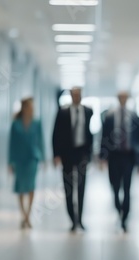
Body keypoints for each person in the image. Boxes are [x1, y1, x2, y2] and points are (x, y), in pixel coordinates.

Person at [100, 91, 139, 233]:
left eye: (125, 97)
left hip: (128, 156)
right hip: (114, 156)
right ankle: (118, 207)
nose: (123, 99)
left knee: (127, 187)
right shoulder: (109, 117)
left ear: (128, 99)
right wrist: (102, 156)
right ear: (117, 98)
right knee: (115, 186)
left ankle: (125, 217)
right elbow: (104, 138)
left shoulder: (134, 117)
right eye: (120, 97)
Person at [52, 87, 94, 232]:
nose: (77, 97)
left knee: (81, 187)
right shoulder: (63, 112)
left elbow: (90, 133)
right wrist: (56, 154)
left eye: (79, 94)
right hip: (67, 154)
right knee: (69, 186)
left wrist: (90, 154)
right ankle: (72, 219)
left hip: (82, 153)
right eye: (74, 94)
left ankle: (80, 220)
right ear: (71, 96)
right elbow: (55, 133)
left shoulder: (88, 111)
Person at [8, 97, 45, 229]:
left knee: (30, 186)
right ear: (24, 108)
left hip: (32, 158)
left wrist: (43, 158)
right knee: (20, 187)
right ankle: (23, 214)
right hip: (19, 159)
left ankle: (28, 215)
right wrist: (10, 162)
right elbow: (11, 144)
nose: (32, 109)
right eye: (30, 107)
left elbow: (41, 141)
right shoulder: (15, 124)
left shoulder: (37, 123)